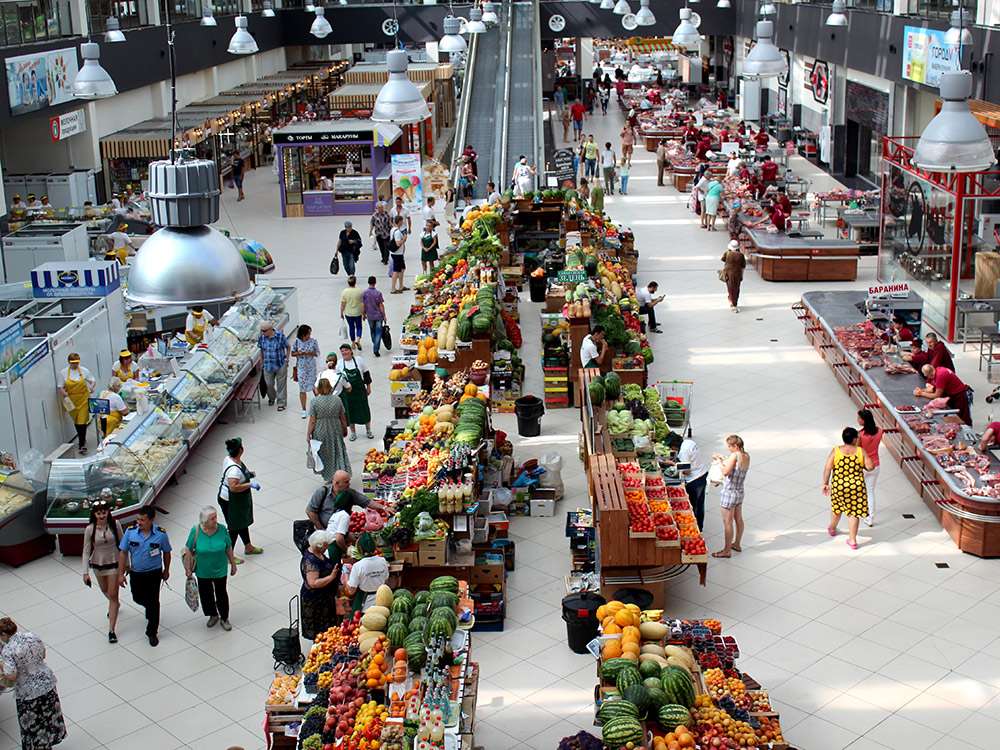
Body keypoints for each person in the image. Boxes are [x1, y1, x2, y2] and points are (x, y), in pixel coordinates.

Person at [0, 617, 67, 750]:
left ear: (4, 634)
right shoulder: (31, 636)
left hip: (28, 692)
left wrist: (3, 665)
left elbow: (11, 674)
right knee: (48, 716)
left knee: (34, 725)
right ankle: (49, 743)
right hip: (47, 683)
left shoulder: (8, 650)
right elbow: (43, 655)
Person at [117, 506, 171, 646]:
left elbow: (166, 552)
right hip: (136, 572)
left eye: (142, 520)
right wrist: (120, 573)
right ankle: (150, 608)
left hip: (154, 572)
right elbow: (123, 553)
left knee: (154, 601)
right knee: (137, 597)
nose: (139, 522)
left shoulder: (161, 534)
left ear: (151, 520)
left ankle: (152, 632)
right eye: (138, 519)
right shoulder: (130, 532)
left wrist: (166, 570)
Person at [184, 506, 239, 631]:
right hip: (203, 571)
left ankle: (224, 618)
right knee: (206, 594)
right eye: (212, 518)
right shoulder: (196, 530)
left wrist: (233, 563)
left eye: (215, 517)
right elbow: (189, 549)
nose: (215, 520)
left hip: (219, 569)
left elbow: (228, 547)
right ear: (204, 522)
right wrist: (188, 568)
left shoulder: (222, 529)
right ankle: (212, 614)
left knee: (221, 593)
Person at [82, 493, 124, 643]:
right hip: (98, 564)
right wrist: (85, 572)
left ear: (108, 512)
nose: (101, 515)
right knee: (105, 591)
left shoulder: (115, 525)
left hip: (114, 562)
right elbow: (86, 550)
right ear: (94, 514)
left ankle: (111, 629)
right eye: (98, 513)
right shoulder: (90, 529)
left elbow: (123, 544)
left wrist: (126, 563)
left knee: (113, 595)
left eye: (104, 512)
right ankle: (116, 604)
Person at [822, 427, 873, 550]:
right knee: (854, 513)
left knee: (837, 508)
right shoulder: (861, 452)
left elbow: (828, 467)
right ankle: (853, 540)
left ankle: (833, 528)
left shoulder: (836, 451)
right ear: (855, 439)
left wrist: (825, 483)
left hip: (839, 486)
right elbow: (870, 467)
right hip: (857, 487)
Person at [217, 437, 262, 561]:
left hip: (236, 500)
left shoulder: (229, 459)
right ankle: (228, 555)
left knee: (241, 522)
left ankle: (248, 546)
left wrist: (248, 474)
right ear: (240, 450)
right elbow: (233, 487)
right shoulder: (233, 470)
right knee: (234, 527)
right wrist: (249, 484)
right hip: (230, 501)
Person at [306, 470, 383, 530]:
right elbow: (310, 511)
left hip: (342, 529)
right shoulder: (322, 492)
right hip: (325, 530)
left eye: (349, 481)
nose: (349, 484)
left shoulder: (350, 493)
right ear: (336, 483)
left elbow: (367, 502)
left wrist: (384, 508)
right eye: (346, 482)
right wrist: (321, 528)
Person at [712, 435, 750, 556]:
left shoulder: (735, 455)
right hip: (739, 491)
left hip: (729, 492)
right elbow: (736, 473)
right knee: (738, 519)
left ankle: (726, 550)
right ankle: (737, 544)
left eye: (729, 446)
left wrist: (718, 460)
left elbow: (726, 471)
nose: (728, 449)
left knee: (727, 522)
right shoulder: (746, 456)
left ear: (735, 446)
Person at [299, 530, 340, 640]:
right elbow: (313, 583)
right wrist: (331, 577)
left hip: (325, 597)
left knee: (328, 628)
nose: (327, 548)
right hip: (315, 600)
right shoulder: (311, 561)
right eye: (325, 546)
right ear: (318, 545)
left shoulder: (318, 552)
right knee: (319, 630)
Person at [307, 378, 351, 480]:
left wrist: (308, 434)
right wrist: (344, 428)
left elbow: (312, 421)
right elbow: (342, 416)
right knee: (337, 450)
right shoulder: (337, 400)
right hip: (335, 427)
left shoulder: (314, 402)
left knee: (325, 453)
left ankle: (328, 476)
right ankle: (340, 472)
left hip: (320, 429)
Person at [666, 433, 709, 530]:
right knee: (700, 504)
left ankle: (694, 529)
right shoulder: (689, 442)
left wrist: (673, 464)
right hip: (702, 474)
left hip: (694, 480)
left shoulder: (683, 452)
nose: (672, 449)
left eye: (671, 447)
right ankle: (699, 527)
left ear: (674, 444)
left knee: (692, 507)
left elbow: (687, 470)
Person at [344, 531, 390, 615]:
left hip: (365, 606)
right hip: (382, 603)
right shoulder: (383, 561)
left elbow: (351, 590)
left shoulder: (358, 566)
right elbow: (385, 582)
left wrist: (346, 574)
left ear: (359, 548)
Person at [58, 353, 95, 454]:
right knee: (76, 421)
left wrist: (91, 386)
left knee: (82, 421)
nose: (75, 365)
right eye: (73, 363)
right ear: (69, 362)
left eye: (77, 363)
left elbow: (92, 380)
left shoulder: (84, 371)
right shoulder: (63, 373)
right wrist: (64, 394)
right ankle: (82, 437)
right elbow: (60, 387)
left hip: (83, 398)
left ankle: (81, 444)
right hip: (72, 400)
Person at [337, 343, 373, 440]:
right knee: (350, 410)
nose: (344, 352)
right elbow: (338, 379)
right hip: (348, 392)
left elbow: (366, 374)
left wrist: (368, 387)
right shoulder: (340, 363)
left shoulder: (359, 360)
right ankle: (353, 432)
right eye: (342, 351)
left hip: (360, 390)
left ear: (351, 351)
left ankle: (368, 429)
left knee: (364, 409)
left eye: (346, 350)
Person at [857, 408, 882, 527]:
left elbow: (857, 451)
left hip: (863, 466)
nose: (858, 420)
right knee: (870, 490)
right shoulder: (879, 431)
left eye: (859, 418)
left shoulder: (860, 435)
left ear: (864, 421)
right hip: (876, 465)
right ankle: (870, 517)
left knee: (860, 490)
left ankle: (860, 511)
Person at [258, 321, 290, 410]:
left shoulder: (280, 336)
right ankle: (272, 397)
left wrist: (287, 359)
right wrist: (262, 361)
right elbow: (261, 349)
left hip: (280, 364)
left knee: (281, 385)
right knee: (269, 384)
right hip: (268, 365)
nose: (262, 333)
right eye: (261, 331)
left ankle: (281, 403)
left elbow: (288, 346)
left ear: (270, 330)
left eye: (264, 331)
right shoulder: (262, 338)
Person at [291, 324, 321, 418]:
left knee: (313, 385)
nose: (309, 335)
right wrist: (299, 354)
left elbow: (318, 353)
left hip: (311, 367)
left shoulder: (313, 341)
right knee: (302, 387)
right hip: (301, 367)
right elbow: (292, 353)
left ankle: (319, 406)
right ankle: (303, 409)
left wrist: (310, 353)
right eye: (308, 333)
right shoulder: (296, 342)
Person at [362, 276, 387, 357]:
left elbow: (363, 305)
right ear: (375, 282)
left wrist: (363, 313)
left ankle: (375, 343)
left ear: (368, 282)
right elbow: (381, 305)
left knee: (372, 331)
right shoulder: (378, 293)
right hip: (378, 315)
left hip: (370, 315)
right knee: (379, 332)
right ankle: (376, 348)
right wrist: (384, 315)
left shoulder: (365, 293)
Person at [721, 240, 747, 313]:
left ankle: (732, 302)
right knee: (736, 288)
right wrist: (742, 275)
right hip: (737, 274)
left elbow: (722, 259)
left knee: (730, 288)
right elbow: (743, 266)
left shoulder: (727, 253)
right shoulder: (741, 255)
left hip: (728, 274)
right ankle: (735, 302)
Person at [341, 276, 364, 351]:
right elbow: (362, 303)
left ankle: (353, 342)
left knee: (351, 327)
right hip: (357, 312)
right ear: (355, 282)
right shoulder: (360, 291)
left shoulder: (345, 292)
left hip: (348, 312)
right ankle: (358, 338)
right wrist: (364, 312)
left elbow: (343, 304)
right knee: (359, 327)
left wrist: (341, 312)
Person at [389, 215, 408, 294]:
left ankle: (401, 285)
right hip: (397, 254)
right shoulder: (397, 232)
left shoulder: (393, 230)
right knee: (396, 270)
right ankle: (393, 288)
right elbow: (398, 244)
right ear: (399, 221)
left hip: (398, 254)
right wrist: (404, 239)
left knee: (402, 268)